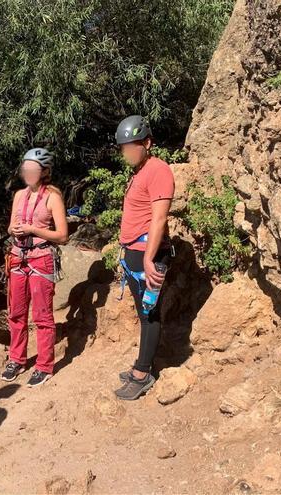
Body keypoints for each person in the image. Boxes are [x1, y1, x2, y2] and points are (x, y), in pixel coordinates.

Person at [112, 115, 176, 401]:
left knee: (149, 314)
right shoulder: (140, 171)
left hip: (147, 254)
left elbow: (159, 218)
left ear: (147, 143)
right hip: (135, 254)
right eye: (122, 147)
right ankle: (142, 365)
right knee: (143, 312)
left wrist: (149, 259)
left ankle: (143, 373)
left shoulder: (158, 170)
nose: (125, 151)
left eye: (131, 146)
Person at [1, 148, 69, 387]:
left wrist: (33, 230)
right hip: (18, 256)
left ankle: (44, 365)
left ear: (44, 172)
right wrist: (15, 230)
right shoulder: (19, 195)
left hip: (41, 257)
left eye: (33, 170)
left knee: (42, 314)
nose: (28, 173)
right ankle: (17, 359)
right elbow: (11, 226)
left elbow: (62, 235)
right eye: (25, 169)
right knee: (16, 312)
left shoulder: (53, 197)